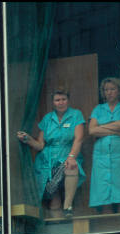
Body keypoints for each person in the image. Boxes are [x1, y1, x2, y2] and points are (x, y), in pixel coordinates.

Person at [17, 87, 86, 218]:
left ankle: (68, 206)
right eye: (57, 100)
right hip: (47, 159)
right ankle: (58, 228)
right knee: (54, 202)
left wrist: (71, 157)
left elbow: (79, 138)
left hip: (67, 153)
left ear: (68, 100)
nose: (60, 102)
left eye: (63, 99)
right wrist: (27, 138)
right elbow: (40, 145)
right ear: (53, 102)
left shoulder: (76, 115)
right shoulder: (47, 118)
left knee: (72, 166)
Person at [88, 77, 120, 213]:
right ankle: (108, 228)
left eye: (112, 89)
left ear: (119, 91)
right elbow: (92, 130)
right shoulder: (98, 109)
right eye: (106, 90)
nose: (109, 92)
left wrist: (102, 127)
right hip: (101, 154)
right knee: (104, 197)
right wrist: (116, 129)